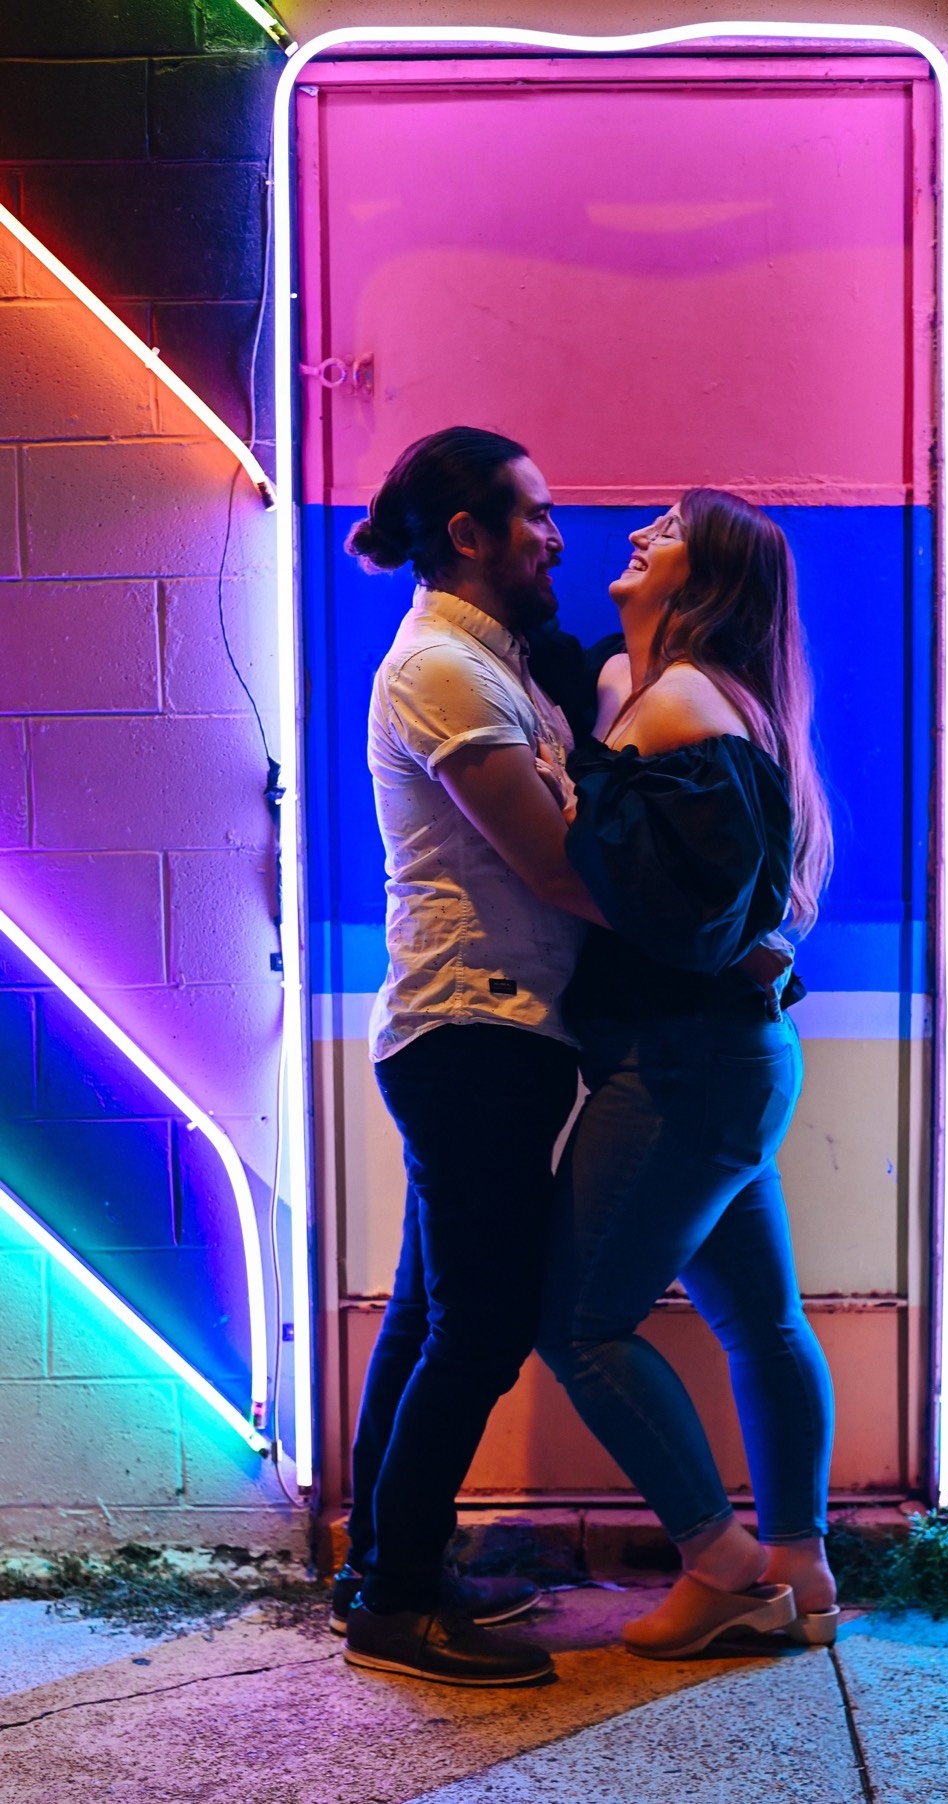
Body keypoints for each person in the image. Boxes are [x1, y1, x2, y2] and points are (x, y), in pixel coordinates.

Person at [537, 488, 840, 1659]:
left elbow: (649, 889)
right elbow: (614, 688)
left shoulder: (684, 707)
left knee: (578, 1320)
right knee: (761, 1324)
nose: (635, 536)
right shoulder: (686, 693)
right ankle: (804, 1571)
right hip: (741, 1058)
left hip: (682, 1065)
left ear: (703, 579)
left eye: (664, 531)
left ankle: (722, 1568)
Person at [336, 426, 612, 1687]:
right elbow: (553, 862)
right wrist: (716, 936)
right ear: (471, 533)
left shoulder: (489, 664)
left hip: (482, 1031)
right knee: (485, 1326)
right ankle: (395, 1601)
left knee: (425, 1319)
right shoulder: (445, 671)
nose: (558, 535)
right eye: (537, 513)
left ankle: (386, 1567)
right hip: (473, 1034)